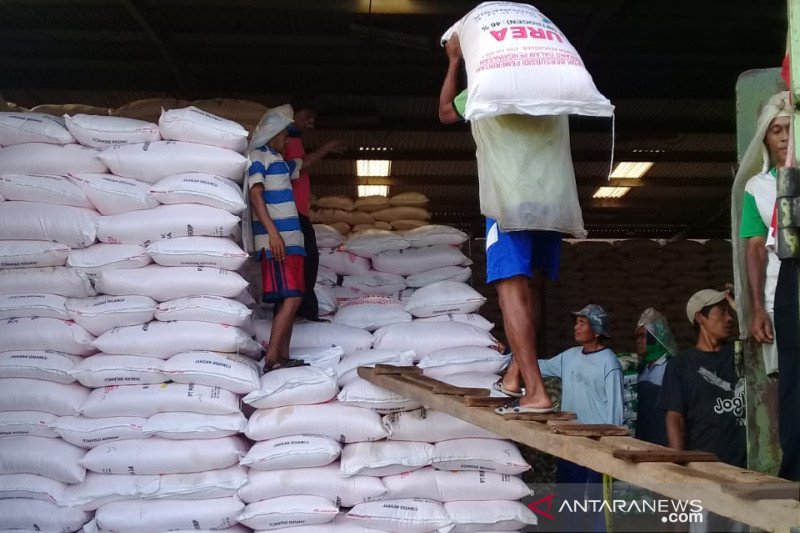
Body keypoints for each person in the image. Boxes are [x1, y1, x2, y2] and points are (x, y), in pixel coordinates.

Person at [438, 33, 581, 413]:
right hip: (550, 200)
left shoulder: (490, 85)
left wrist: (454, 60)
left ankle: (535, 391)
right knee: (530, 290)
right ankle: (515, 376)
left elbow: (445, 112)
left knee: (509, 292)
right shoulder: (552, 83)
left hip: (509, 201)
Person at [243, 105, 342, 372]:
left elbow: (303, 164)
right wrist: (273, 233)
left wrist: (327, 149)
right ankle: (272, 358)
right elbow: (256, 195)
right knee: (291, 299)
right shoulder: (258, 156)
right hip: (277, 242)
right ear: (273, 133)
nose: (287, 140)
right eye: (285, 135)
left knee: (294, 296)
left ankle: (282, 356)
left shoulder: (280, 163)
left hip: (292, 241)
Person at [525, 304, 623, 533]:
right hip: (570, 442)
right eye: (576, 322)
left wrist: (611, 448)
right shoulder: (569, 357)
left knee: (598, 503)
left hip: (597, 445)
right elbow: (538, 367)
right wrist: (513, 355)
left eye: (582, 323)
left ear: (597, 331)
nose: (576, 327)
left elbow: (616, 412)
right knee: (570, 498)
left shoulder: (609, 363)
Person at [733, 91, 790, 377]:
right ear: (765, 138)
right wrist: (757, 308)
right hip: (778, 296)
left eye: (790, 129)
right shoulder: (757, 188)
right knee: (790, 381)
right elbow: (755, 248)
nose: (783, 137)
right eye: (775, 130)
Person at [282, 97, 344, 321]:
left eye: (313, 119)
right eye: (308, 117)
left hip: (299, 212)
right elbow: (298, 167)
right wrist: (326, 148)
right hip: (291, 215)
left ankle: (302, 311)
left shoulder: (294, 139)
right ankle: (302, 312)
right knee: (305, 264)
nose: (311, 123)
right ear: (292, 115)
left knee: (307, 264)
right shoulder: (285, 138)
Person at [634, 308, 678, 446]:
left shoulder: (671, 367)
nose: (638, 341)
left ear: (657, 338)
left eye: (643, 336)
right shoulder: (641, 369)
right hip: (643, 438)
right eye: (637, 337)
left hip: (663, 440)